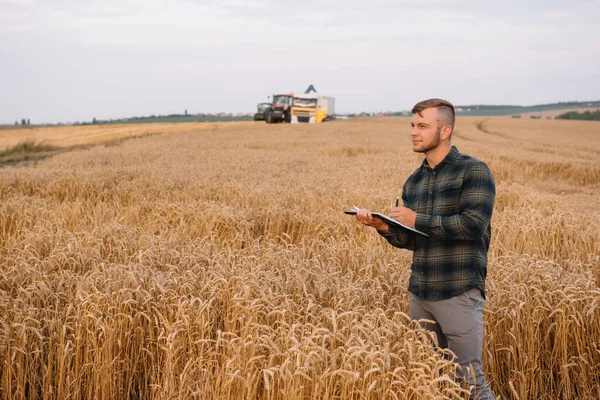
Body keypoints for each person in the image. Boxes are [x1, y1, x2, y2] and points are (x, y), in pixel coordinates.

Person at [355, 98, 495, 399]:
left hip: (458, 291)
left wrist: (417, 218)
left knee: (470, 381)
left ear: (444, 131)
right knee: (432, 378)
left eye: (422, 126)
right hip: (420, 292)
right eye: (412, 125)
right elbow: (414, 239)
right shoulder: (414, 182)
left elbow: (473, 226)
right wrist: (383, 227)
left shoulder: (473, 171)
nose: (414, 132)